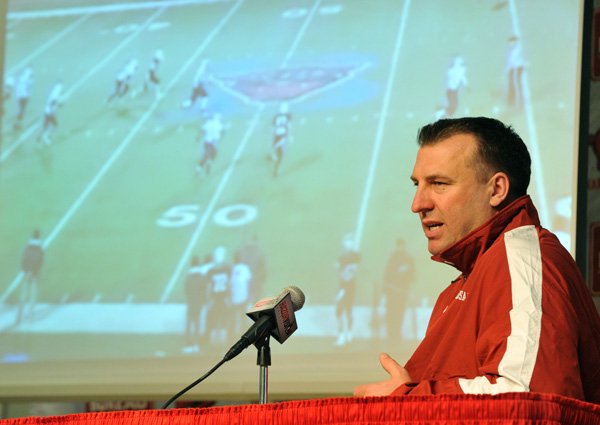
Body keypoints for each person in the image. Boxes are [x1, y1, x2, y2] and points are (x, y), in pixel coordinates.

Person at [353, 117, 600, 403]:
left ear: (496, 190)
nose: (418, 204)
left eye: (439, 183)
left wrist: (409, 397)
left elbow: (527, 398)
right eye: (417, 185)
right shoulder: (466, 282)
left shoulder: (521, 260)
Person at [382, 238, 415, 343]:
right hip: (392, 292)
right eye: (399, 246)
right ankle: (391, 335)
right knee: (391, 313)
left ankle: (396, 335)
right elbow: (387, 275)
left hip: (402, 291)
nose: (400, 248)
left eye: (401, 245)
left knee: (400, 313)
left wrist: (405, 274)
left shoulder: (408, 259)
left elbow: (412, 275)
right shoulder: (392, 258)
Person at [334, 233, 361, 346]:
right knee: (340, 310)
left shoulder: (354, 257)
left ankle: (347, 334)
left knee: (345, 310)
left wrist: (343, 289)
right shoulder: (343, 257)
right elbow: (340, 272)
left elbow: (350, 274)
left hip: (348, 288)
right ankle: (343, 334)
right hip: (343, 287)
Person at [16, 229, 44, 324]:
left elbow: (24, 259)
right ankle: (31, 315)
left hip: (26, 271)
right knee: (33, 293)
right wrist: (33, 272)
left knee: (23, 292)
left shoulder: (27, 247)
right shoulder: (40, 248)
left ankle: (19, 316)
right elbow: (39, 261)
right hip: (34, 272)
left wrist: (25, 271)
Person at [270, 102, 292, 177]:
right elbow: (289, 126)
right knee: (281, 156)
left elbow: (273, 127)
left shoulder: (276, 116)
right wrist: (290, 136)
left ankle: (274, 157)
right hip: (282, 136)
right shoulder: (288, 116)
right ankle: (276, 171)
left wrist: (272, 139)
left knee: (280, 154)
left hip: (276, 136)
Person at [506, 36, 524, 109]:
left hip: (516, 68)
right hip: (513, 69)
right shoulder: (512, 50)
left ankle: (518, 102)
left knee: (516, 85)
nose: (509, 44)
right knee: (512, 85)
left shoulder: (516, 50)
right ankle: (512, 100)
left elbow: (512, 61)